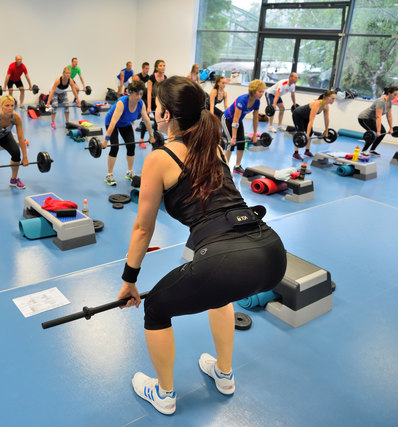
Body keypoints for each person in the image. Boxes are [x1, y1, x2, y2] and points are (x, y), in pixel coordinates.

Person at [117, 76, 287, 415]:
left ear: (165, 115)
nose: (153, 110)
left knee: (157, 309)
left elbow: (141, 229)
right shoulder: (215, 145)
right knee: (219, 292)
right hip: (271, 251)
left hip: (227, 258)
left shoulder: (158, 159)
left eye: (157, 107)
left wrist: (129, 280)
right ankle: (224, 374)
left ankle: (163, 394)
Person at [103, 80, 155, 186]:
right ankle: (109, 174)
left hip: (125, 123)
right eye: (136, 93)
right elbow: (113, 122)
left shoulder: (141, 104)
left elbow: (146, 120)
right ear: (130, 92)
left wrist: (151, 135)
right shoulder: (122, 103)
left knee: (131, 146)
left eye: (141, 93)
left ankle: (129, 172)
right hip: (111, 122)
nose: (139, 96)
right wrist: (105, 140)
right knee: (115, 147)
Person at [0, 95, 30, 194]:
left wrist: (25, 157)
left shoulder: (16, 117)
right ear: (1, 106)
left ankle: (13, 179)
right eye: (7, 105)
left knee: (16, 152)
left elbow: (21, 138)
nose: (10, 108)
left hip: (4, 135)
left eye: (12, 105)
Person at [221, 79, 265, 174]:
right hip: (228, 119)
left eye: (263, 92)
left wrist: (254, 135)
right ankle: (225, 170)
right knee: (230, 144)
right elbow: (235, 120)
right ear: (253, 91)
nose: (262, 94)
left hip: (238, 121)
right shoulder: (242, 100)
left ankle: (237, 166)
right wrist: (233, 137)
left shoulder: (257, 102)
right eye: (260, 92)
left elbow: (255, 118)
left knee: (241, 144)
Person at [291, 90, 336, 161]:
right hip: (298, 115)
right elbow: (311, 120)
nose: (334, 100)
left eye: (334, 98)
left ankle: (307, 151)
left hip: (305, 117)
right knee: (300, 134)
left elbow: (326, 119)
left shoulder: (326, 106)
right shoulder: (317, 104)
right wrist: (307, 136)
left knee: (311, 133)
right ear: (327, 98)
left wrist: (326, 131)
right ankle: (295, 153)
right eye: (332, 98)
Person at [357, 86, 398, 157]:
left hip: (372, 119)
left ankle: (372, 150)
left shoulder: (389, 103)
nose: (395, 96)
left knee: (383, 132)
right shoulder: (380, 101)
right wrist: (378, 131)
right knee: (372, 134)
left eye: (396, 95)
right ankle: (363, 151)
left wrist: (391, 128)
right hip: (364, 118)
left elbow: (389, 116)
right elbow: (378, 117)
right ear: (389, 93)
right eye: (394, 94)